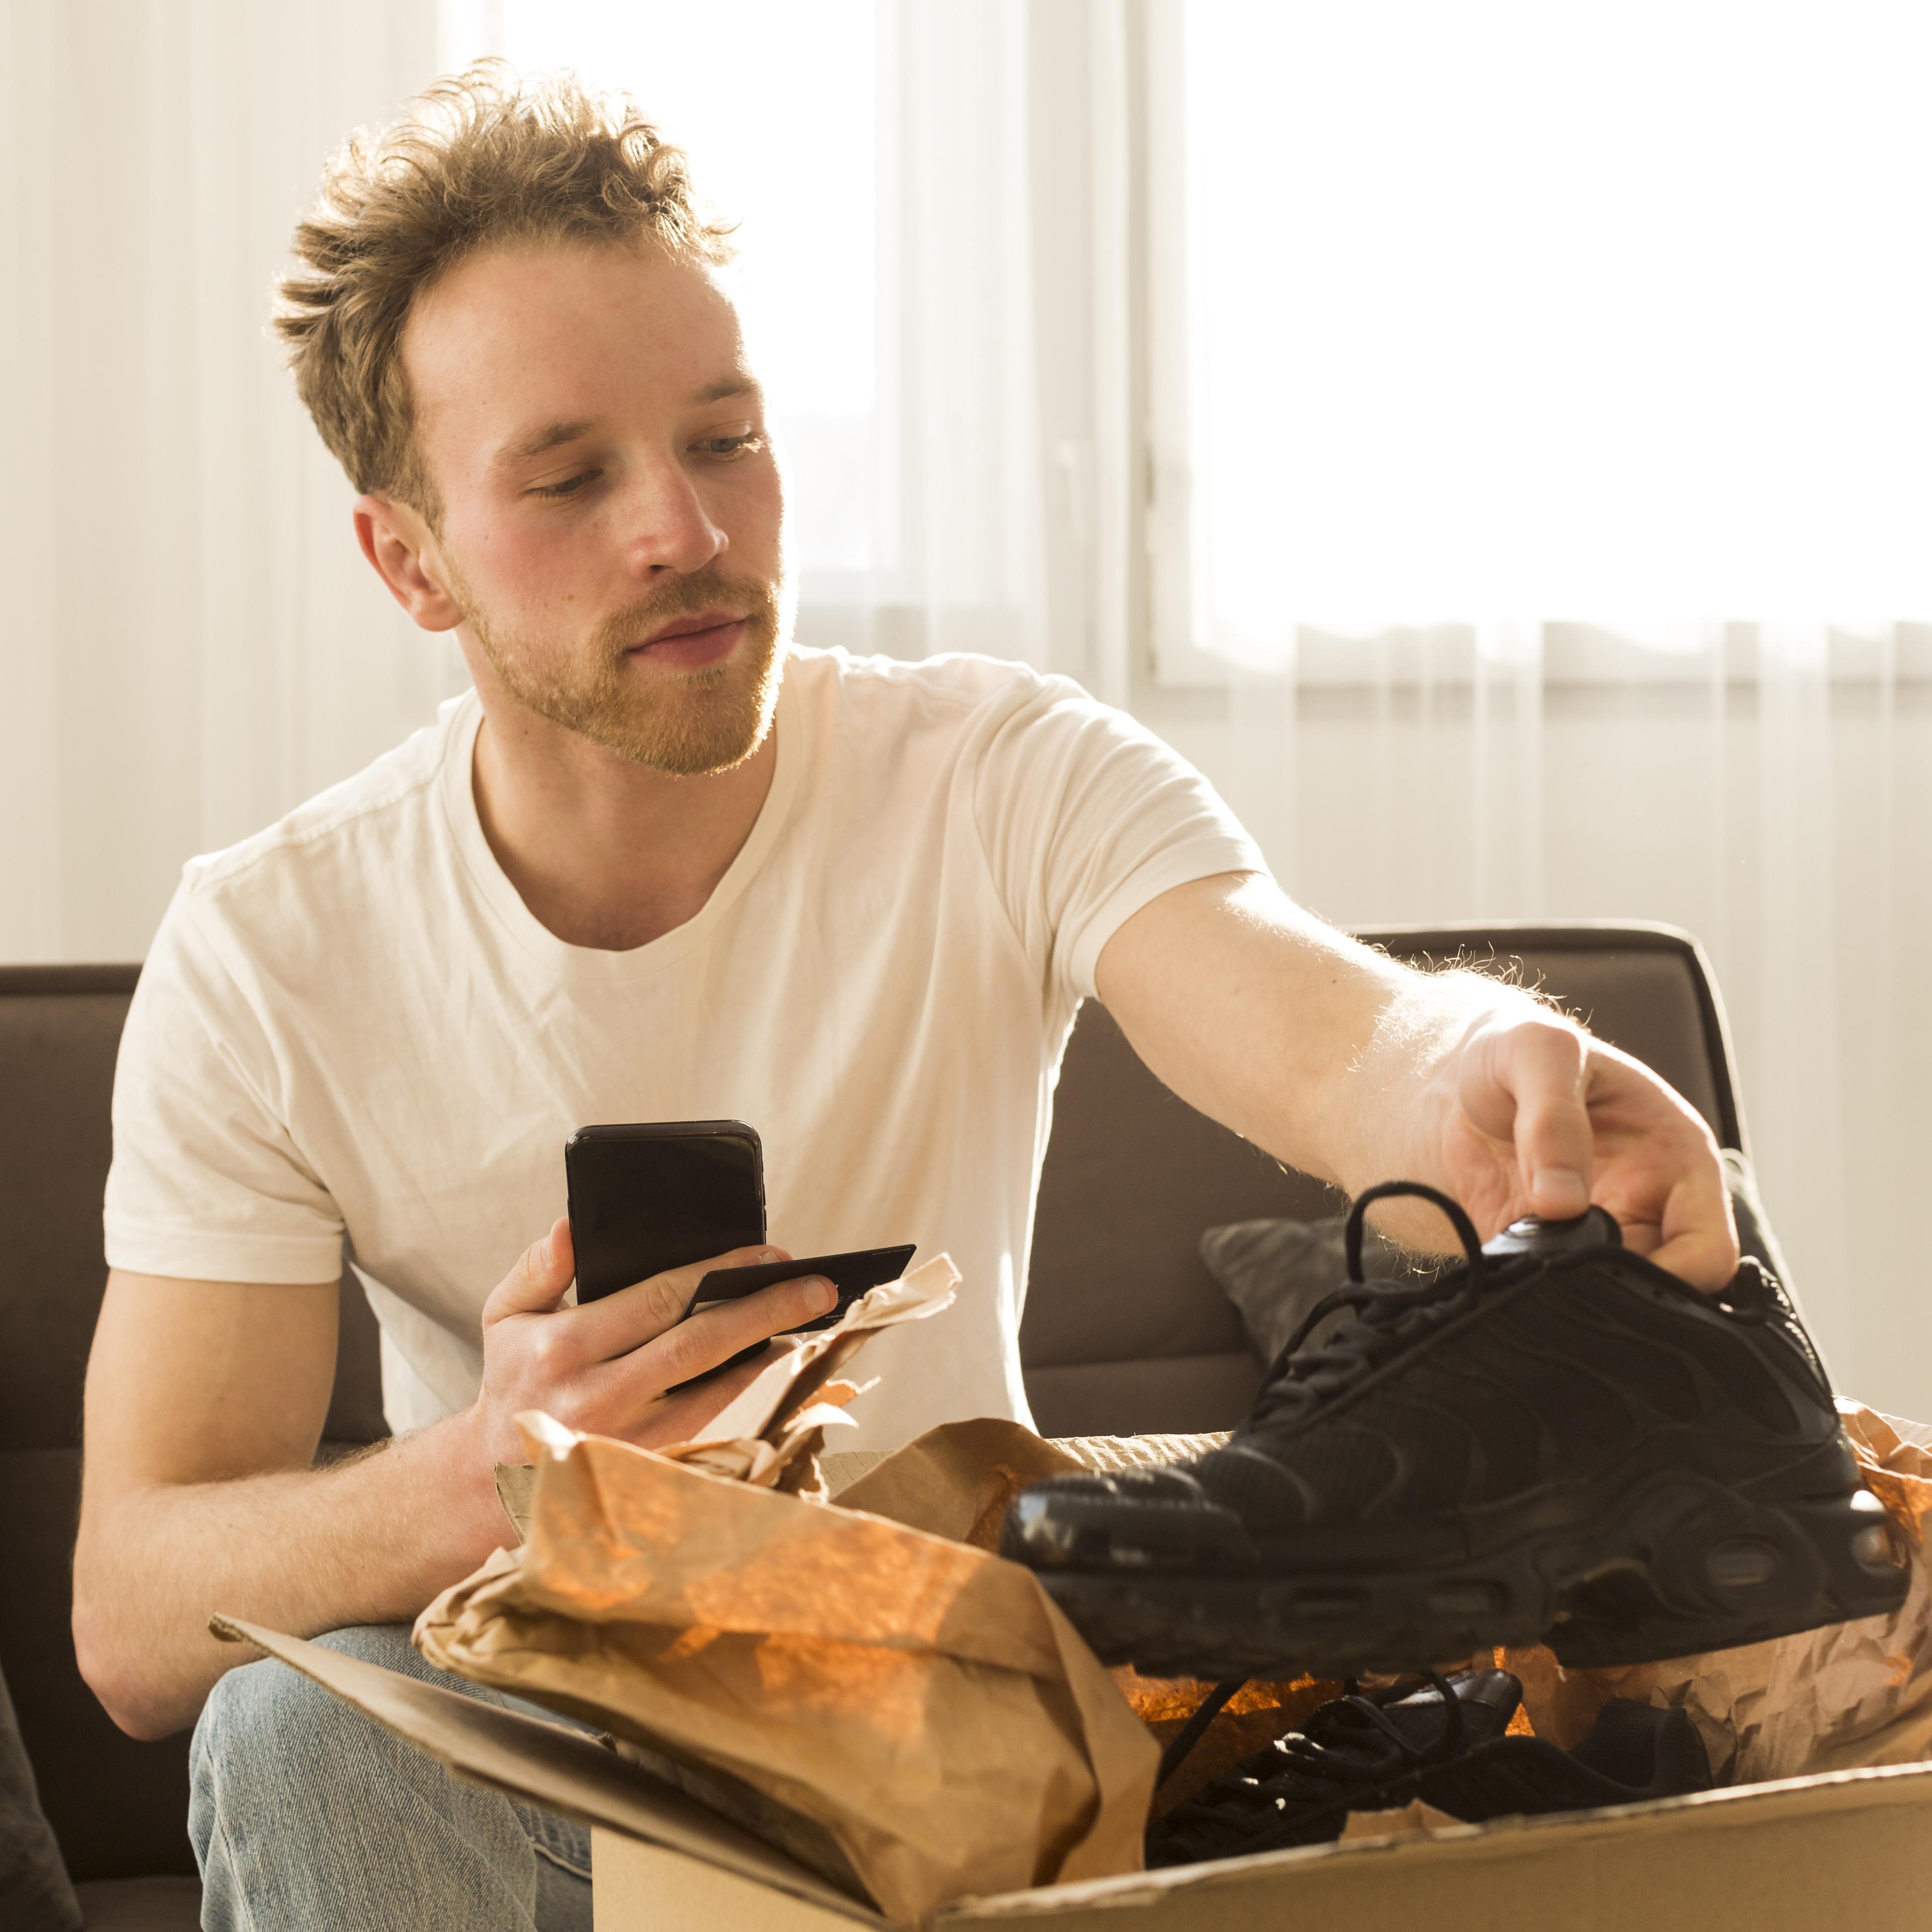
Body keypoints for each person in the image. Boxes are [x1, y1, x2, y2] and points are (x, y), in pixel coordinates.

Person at [70, 63, 1736, 1932]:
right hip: (555, 1775)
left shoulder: (996, 771)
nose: (685, 531)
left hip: (971, 1758)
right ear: (411, 560)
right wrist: (488, 1478)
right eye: (570, 477)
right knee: (287, 1740)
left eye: (725, 439)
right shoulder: (276, 949)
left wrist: (1498, 1077)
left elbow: (1324, 1022)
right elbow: (137, 1611)